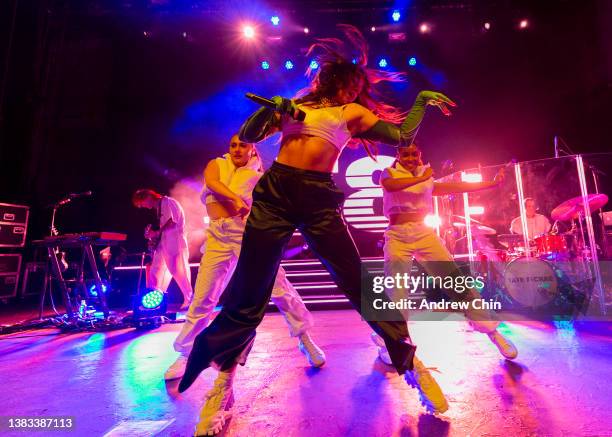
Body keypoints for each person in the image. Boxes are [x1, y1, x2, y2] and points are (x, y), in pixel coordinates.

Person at [180, 25, 458, 435]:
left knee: (359, 284)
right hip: (275, 193)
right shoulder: (295, 106)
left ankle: (409, 363)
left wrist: (418, 102)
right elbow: (250, 134)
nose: (352, 90)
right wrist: (271, 110)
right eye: (349, 84)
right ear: (336, 81)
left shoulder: (352, 114)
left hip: (316, 198)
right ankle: (223, 385)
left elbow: (401, 135)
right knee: (248, 292)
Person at [164, 135, 325, 381]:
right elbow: (213, 183)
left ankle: (305, 338)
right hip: (217, 237)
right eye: (233, 145)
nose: (237, 149)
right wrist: (236, 199)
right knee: (203, 297)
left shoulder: (260, 178)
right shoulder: (217, 164)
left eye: (243, 145)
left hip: (246, 235)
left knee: (278, 288)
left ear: (253, 150)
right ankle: (186, 352)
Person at [371, 143, 518, 370]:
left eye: (414, 154)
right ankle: (390, 343)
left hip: (424, 233)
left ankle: (492, 332)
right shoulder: (389, 174)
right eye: (406, 154)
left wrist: (491, 182)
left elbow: (456, 186)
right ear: (399, 155)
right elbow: (391, 187)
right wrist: (424, 178)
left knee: (456, 283)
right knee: (397, 290)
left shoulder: (425, 178)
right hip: (398, 236)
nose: (410, 158)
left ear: (420, 154)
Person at [132, 189, 193, 310]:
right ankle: (154, 300)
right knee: (156, 270)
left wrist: (156, 232)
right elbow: (164, 227)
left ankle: (190, 299)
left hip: (175, 243)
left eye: (142, 202)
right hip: (165, 244)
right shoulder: (160, 208)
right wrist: (153, 237)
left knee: (179, 271)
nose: (143, 206)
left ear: (149, 196)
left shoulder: (168, 202)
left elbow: (172, 221)